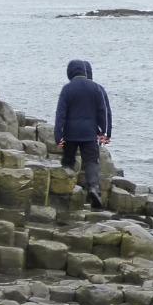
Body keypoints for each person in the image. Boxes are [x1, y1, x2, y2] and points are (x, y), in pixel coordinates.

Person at [54, 59, 113, 210]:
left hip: (70, 134)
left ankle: (66, 192)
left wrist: (58, 136)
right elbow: (102, 111)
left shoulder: (67, 89)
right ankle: (93, 188)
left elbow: (60, 114)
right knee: (91, 162)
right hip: (89, 134)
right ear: (85, 71)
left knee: (68, 161)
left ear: (70, 72)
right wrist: (104, 132)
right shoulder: (95, 88)